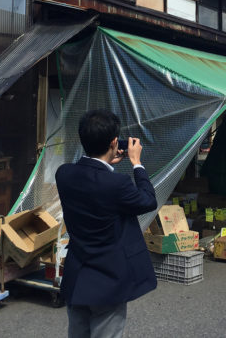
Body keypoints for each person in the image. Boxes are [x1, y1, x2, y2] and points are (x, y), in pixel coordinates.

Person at [55, 109, 158, 338]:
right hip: (108, 282)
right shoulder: (117, 184)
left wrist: (107, 160)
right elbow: (148, 201)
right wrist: (136, 163)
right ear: (114, 142)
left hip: (77, 278)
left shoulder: (64, 174)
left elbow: (92, 178)